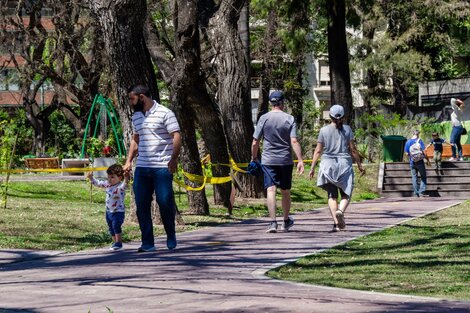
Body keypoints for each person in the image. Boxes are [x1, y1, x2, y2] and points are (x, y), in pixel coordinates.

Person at [123, 85, 182, 252]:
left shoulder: (165, 113)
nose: (130, 102)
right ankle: (147, 242)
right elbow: (136, 139)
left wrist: (174, 158)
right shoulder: (136, 116)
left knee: (164, 201)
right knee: (141, 204)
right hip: (142, 167)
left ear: (142, 97)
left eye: (132, 98)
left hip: (162, 166)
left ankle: (171, 234)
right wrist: (129, 161)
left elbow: (176, 135)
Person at [251, 90, 304, 233]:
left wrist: (254, 157)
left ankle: (273, 222)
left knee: (271, 189)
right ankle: (285, 221)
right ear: (283, 102)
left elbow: (256, 141)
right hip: (285, 160)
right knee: (285, 190)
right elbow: (294, 140)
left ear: (270, 103)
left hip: (268, 160)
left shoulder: (264, 118)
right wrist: (300, 160)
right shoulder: (289, 119)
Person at [309, 104, 365, 232]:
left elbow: (318, 150)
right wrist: (360, 165)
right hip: (344, 164)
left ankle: (336, 223)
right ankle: (340, 210)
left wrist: (312, 168)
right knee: (346, 193)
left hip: (328, 165)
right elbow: (353, 149)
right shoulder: (348, 129)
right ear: (343, 117)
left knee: (332, 195)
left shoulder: (323, 131)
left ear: (330, 116)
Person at [87, 164, 130, 250]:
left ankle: (119, 243)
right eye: (108, 177)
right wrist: (91, 178)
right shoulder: (107, 184)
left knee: (116, 225)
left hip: (118, 211)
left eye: (112, 177)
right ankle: (115, 243)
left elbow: (125, 185)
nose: (110, 179)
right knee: (111, 227)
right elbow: (98, 183)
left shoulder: (120, 187)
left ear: (120, 178)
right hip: (108, 211)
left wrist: (126, 178)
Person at [404, 130, 431, 197]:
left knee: (414, 177)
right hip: (420, 162)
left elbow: (406, 153)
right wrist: (427, 160)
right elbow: (424, 152)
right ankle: (421, 192)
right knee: (423, 176)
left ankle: (416, 193)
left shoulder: (408, 142)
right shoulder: (419, 141)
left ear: (412, 133)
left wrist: (412, 156)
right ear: (418, 134)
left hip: (412, 162)